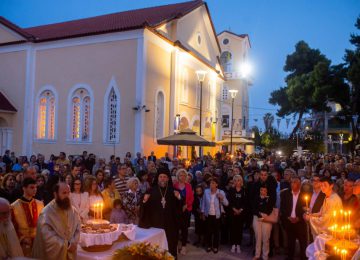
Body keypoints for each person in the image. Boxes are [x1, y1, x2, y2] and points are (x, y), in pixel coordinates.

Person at [139, 167, 182, 258]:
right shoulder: (151, 191)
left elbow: (180, 207)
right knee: (156, 248)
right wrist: (144, 200)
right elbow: (143, 206)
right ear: (157, 178)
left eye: (164, 177)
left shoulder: (173, 191)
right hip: (156, 225)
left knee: (170, 247)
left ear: (168, 179)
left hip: (170, 226)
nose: (162, 179)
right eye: (161, 177)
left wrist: (179, 198)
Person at [32, 182, 80, 260]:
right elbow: (46, 236)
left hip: (71, 250)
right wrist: (66, 245)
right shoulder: (46, 212)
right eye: (64, 193)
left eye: (68, 192)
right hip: (55, 254)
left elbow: (78, 227)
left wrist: (74, 242)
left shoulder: (73, 210)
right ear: (55, 194)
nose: (67, 196)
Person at [11, 177, 44, 256]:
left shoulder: (40, 204)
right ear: (24, 188)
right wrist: (22, 238)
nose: (35, 189)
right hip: (22, 244)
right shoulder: (14, 206)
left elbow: (43, 224)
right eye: (32, 187)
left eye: (36, 187)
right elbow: (12, 227)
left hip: (38, 242)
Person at [280, 176, 307, 260]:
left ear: (299, 184)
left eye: (295, 182)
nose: (293, 184)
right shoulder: (285, 193)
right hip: (289, 221)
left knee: (302, 242)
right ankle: (290, 257)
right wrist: (288, 217)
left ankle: (303, 257)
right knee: (290, 241)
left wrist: (299, 218)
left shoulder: (305, 194)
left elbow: (306, 209)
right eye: (292, 182)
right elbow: (283, 207)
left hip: (300, 222)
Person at [201, 177, 229, 254]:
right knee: (208, 232)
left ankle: (216, 246)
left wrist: (222, 198)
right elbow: (203, 203)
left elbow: (227, 204)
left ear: (217, 184)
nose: (211, 184)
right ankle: (209, 245)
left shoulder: (221, 192)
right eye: (210, 183)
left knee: (216, 232)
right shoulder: (206, 191)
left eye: (213, 183)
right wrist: (203, 213)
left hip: (217, 216)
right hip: (208, 215)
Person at [173, 169, 194, 255]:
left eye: (184, 175)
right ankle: (177, 245)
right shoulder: (174, 185)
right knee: (176, 228)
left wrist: (187, 205)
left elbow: (192, 198)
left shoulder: (188, 185)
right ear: (178, 176)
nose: (183, 177)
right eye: (181, 175)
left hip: (186, 209)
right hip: (177, 210)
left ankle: (184, 246)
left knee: (184, 228)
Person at [252, 185, 273, 260]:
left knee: (266, 238)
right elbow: (254, 208)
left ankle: (265, 256)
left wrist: (265, 201)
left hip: (267, 219)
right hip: (257, 218)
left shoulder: (269, 199)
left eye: (264, 190)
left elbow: (270, 209)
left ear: (266, 191)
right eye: (261, 190)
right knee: (258, 237)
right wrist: (259, 214)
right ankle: (257, 255)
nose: (263, 192)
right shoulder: (256, 198)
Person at [228, 174, 246, 254]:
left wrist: (240, 210)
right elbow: (230, 201)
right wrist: (234, 210)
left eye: (238, 180)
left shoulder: (244, 190)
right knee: (233, 229)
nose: (237, 182)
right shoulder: (231, 190)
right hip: (233, 213)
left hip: (241, 213)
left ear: (241, 181)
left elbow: (245, 202)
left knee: (239, 229)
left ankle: (238, 244)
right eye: (235, 180)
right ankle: (233, 244)